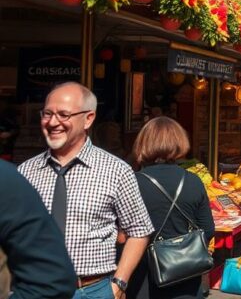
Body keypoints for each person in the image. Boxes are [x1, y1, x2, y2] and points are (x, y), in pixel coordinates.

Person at [19, 82, 154, 299]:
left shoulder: (116, 171)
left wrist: (119, 283)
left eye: (63, 115)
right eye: (47, 114)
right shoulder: (26, 171)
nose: (53, 122)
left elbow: (139, 230)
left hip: (91, 290)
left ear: (88, 119)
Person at [130, 117, 215, 299]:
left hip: (143, 277)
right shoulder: (193, 181)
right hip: (186, 274)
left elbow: (123, 234)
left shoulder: (133, 182)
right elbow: (208, 229)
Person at [0, 158, 77, 298]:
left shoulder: (5, 178)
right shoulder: (24, 169)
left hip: (95, 288)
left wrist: (119, 281)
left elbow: (130, 230)